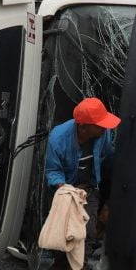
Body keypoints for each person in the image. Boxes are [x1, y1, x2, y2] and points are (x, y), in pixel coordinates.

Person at [44, 97, 120, 239]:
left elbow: (108, 158)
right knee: (63, 237)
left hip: (89, 189)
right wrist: (65, 192)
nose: (105, 127)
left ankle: (82, 260)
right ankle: (61, 260)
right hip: (65, 192)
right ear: (83, 127)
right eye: (100, 125)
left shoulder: (103, 134)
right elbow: (53, 170)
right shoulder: (58, 138)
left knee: (87, 234)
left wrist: (111, 198)